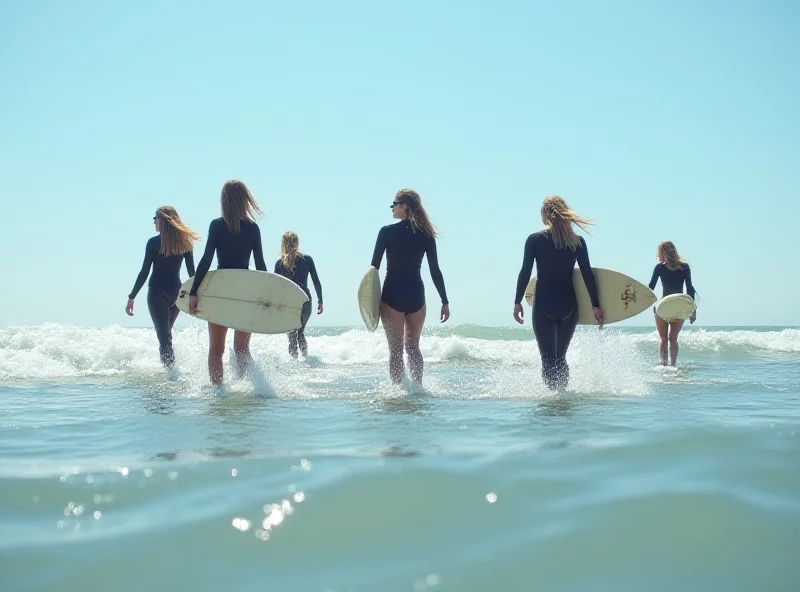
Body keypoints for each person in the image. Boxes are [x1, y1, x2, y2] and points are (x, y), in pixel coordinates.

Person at [513, 195, 604, 391]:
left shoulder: (535, 240)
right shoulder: (577, 242)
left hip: (544, 304)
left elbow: (525, 272)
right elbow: (587, 274)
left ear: (546, 213)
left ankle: (552, 400)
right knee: (561, 357)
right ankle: (563, 396)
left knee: (548, 359)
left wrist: (517, 301)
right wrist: (596, 305)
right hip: (569, 306)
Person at [188, 179, 267, 385]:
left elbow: (206, 260)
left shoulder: (217, 226)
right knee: (242, 349)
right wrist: (267, 294)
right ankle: (243, 387)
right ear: (244, 200)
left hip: (221, 291)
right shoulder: (253, 229)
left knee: (216, 349)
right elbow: (260, 266)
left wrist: (194, 291)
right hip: (245, 293)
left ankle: (218, 392)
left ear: (224, 201)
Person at [370, 189, 450, 385]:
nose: (392, 208)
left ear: (404, 206)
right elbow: (435, 271)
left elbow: (374, 269)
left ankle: (398, 392)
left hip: (393, 296)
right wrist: (444, 301)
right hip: (416, 296)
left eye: (394, 204)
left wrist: (369, 302)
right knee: (413, 348)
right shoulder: (426, 235)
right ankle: (418, 388)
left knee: (395, 350)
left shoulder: (386, 232)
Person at [126, 206, 199, 367]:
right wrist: (195, 294)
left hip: (157, 294)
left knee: (164, 337)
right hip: (176, 294)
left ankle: (170, 375)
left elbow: (144, 271)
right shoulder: (185, 243)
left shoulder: (153, 243)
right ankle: (171, 371)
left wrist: (132, 296)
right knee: (166, 336)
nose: (154, 222)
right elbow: (192, 273)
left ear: (163, 220)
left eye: (155, 218)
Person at [273, 231, 323, 359]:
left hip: (289, 303)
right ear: (297, 243)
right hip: (305, 301)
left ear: (283, 244)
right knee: (300, 333)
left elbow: (275, 288)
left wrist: (273, 305)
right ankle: (307, 361)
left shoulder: (279, 264)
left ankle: (295, 367)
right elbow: (316, 281)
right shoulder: (307, 260)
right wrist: (320, 300)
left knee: (291, 335)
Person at [648, 240, 697, 366]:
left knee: (663, 339)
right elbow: (690, 288)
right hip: (679, 305)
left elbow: (650, 288)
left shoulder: (659, 268)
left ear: (662, 253)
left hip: (664, 306)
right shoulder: (685, 267)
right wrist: (692, 309)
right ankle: (673, 366)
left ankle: (664, 366)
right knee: (673, 338)